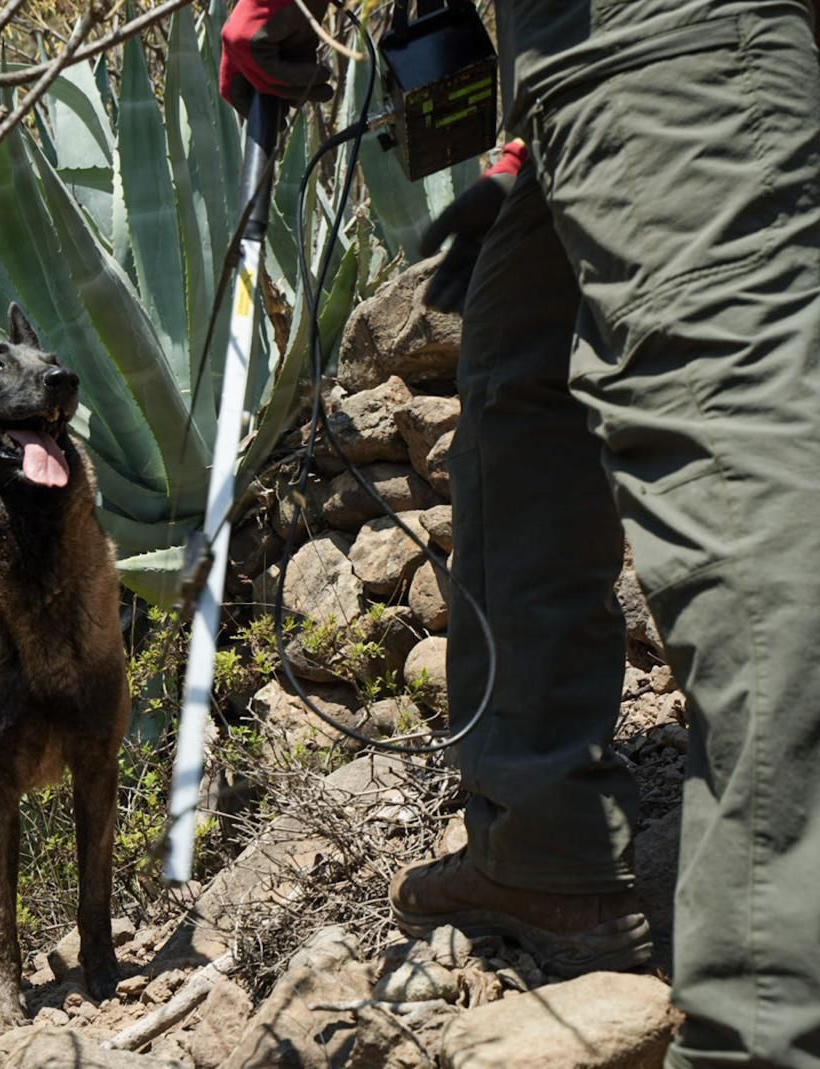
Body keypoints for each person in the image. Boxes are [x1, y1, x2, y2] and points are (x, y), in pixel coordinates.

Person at [220, 2, 820, 1067]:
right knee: (517, 381)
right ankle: (545, 844)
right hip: (572, 51)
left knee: (729, 462)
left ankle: (766, 1022)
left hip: (665, 30)